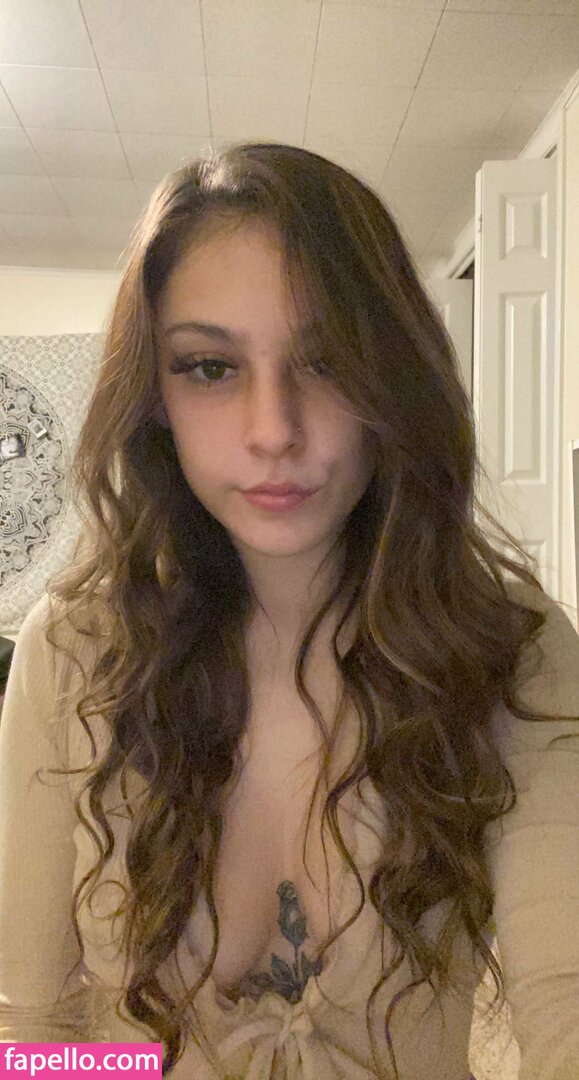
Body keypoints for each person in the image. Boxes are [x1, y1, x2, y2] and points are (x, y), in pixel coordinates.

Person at [0, 142, 578, 1080]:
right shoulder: (73, 652)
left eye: (326, 360)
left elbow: (566, 999)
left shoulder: (511, 648)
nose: (274, 429)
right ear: (155, 396)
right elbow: (32, 1029)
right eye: (210, 368)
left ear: (393, 377)